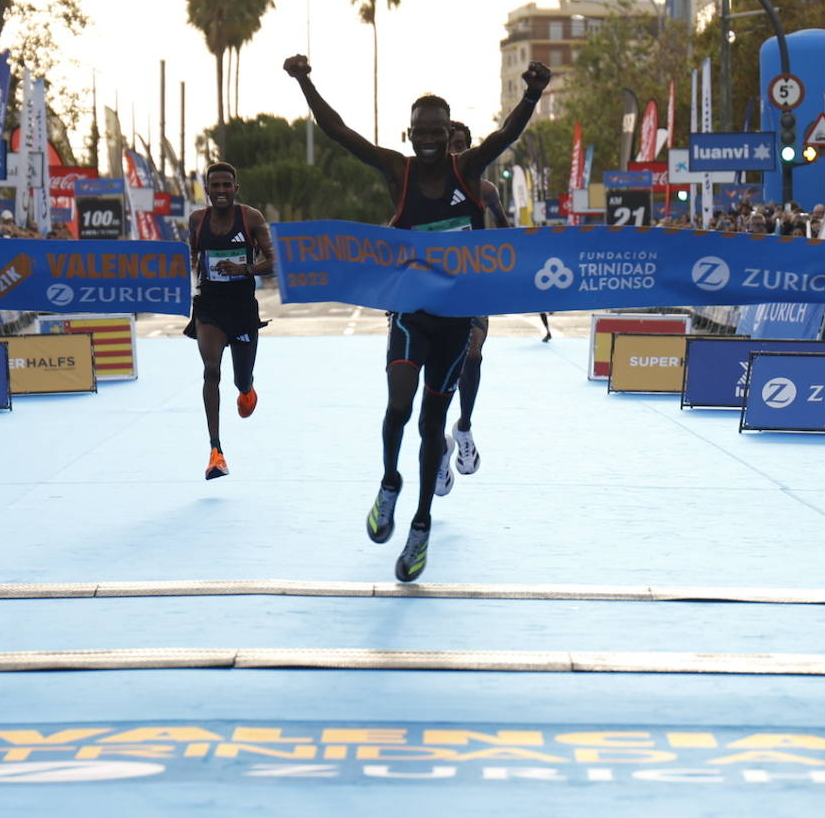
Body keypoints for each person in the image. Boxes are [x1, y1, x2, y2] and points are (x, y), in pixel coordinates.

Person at [284, 52, 550, 581]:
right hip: (409, 312)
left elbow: (505, 135)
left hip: (456, 319)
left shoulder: (467, 170)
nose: (429, 137)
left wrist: (533, 94)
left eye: (438, 129)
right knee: (398, 406)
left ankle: (422, 522)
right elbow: (338, 132)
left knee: (432, 425)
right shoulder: (395, 170)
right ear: (408, 135)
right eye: (421, 130)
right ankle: (389, 484)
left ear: (448, 131)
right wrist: (305, 81)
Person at [183, 161, 274, 480]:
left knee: (241, 379)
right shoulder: (197, 220)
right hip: (209, 307)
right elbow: (190, 257)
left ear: (236, 189)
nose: (220, 191)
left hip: (243, 310)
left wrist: (245, 269)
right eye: (214, 186)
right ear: (206, 189)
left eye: (226, 186)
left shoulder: (251, 218)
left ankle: (247, 389)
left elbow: (274, 261)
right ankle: (216, 451)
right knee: (211, 370)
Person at [441, 120, 512, 487]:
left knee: (472, 351)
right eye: (450, 146)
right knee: (431, 368)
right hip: (431, 289)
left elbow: (505, 231)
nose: (455, 152)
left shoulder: (485, 191)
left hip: (472, 287)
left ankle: (464, 428)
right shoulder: (423, 192)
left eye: (461, 146)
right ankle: (439, 446)